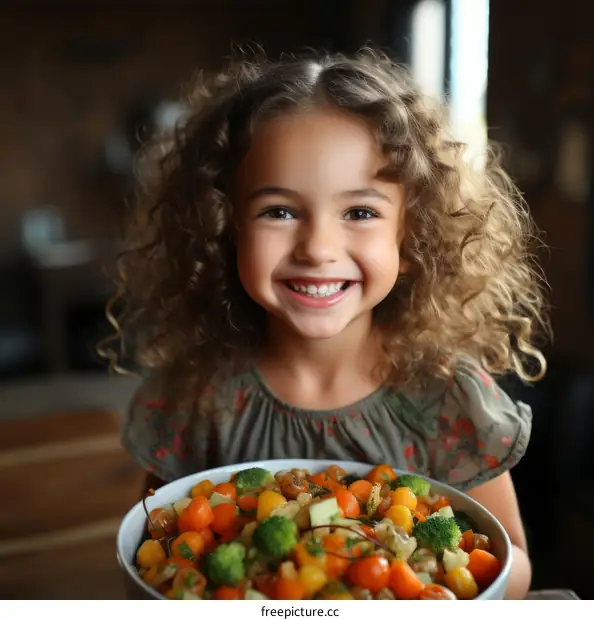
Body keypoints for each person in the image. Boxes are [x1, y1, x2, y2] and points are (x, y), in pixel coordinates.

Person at [104, 49, 548, 599]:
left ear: (411, 240)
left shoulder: (449, 399)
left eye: (360, 212)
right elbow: (153, 544)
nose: (317, 248)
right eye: (279, 211)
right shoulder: (199, 397)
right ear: (227, 230)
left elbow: (512, 562)